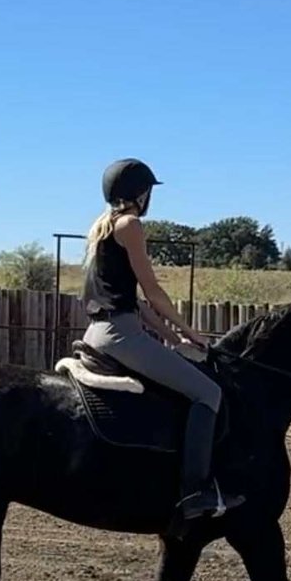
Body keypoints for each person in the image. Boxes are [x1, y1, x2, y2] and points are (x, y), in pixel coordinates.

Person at [81, 157, 244, 521]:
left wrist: (171, 337)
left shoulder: (102, 229)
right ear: (140, 193)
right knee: (209, 393)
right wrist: (192, 333)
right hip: (121, 336)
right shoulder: (131, 225)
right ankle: (195, 490)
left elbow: (135, 303)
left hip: (100, 331)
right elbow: (153, 292)